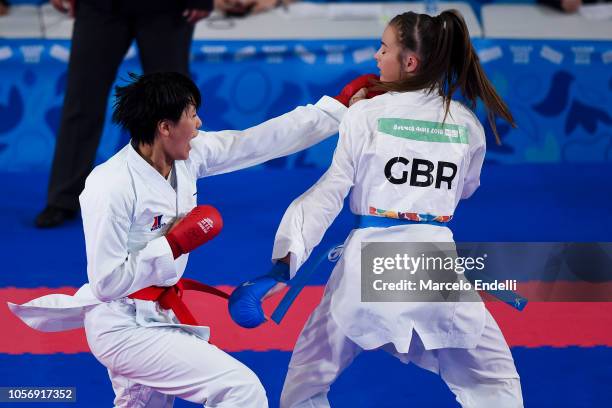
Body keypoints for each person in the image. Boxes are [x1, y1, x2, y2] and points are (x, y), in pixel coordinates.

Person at [10, 71, 375, 407]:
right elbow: (106, 283)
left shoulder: (186, 157)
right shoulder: (110, 186)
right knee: (241, 390)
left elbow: (255, 142)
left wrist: (336, 110)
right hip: (122, 325)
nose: (199, 125)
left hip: (160, 313)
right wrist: (172, 244)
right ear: (165, 127)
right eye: (192, 115)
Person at [229, 10, 524, 407]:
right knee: (495, 384)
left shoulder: (365, 113)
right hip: (435, 265)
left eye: (384, 49)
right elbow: (465, 190)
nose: (376, 57)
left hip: (370, 265)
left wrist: (284, 264)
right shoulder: (467, 123)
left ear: (410, 63)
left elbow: (329, 193)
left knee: (306, 383)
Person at [35, 0, 211, 228]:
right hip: (99, 8)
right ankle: (63, 198)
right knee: (82, 99)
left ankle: (179, 200)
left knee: (174, 105)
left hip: (167, 9)